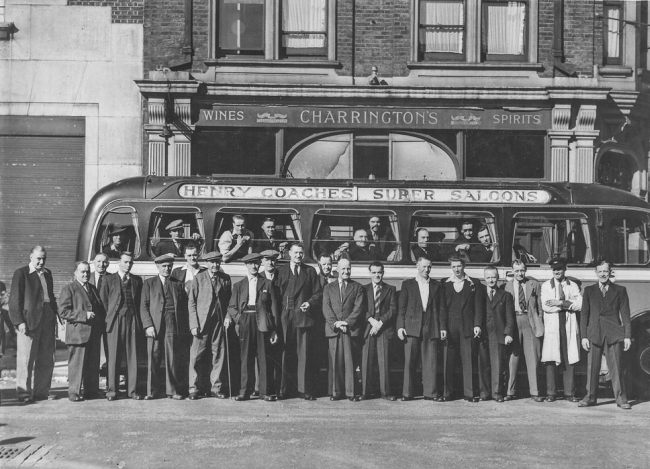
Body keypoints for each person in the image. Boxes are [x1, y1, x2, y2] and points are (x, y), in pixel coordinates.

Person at [226, 253, 280, 401]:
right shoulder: (239, 285)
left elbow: (274, 308)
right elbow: (231, 307)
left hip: (262, 321)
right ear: (246, 265)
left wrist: (274, 329)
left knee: (263, 357)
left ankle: (264, 391)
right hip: (246, 321)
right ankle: (245, 391)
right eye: (251, 264)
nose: (254, 266)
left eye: (256, 263)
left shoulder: (267, 284)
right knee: (246, 357)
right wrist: (240, 319)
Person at [578, 260, 632, 410]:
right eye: (600, 271)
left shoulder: (620, 290)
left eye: (605, 271)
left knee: (617, 367)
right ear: (596, 273)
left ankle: (621, 399)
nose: (603, 274)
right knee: (592, 368)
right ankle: (590, 397)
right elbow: (584, 315)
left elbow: (626, 315)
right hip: (594, 333)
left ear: (610, 272)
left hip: (613, 333)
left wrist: (627, 336)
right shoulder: (589, 291)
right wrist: (583, 336)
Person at [9, 246, 59, 403]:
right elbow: (14, 300)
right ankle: (24, 394)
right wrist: (19, 322)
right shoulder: (21, 273)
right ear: (31, 257)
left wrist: (56, 316)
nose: (41, 261)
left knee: (46, 357)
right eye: (38, 258)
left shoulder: (47, 273)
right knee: (26, 358)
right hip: (29, 321)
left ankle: (42, 392)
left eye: (44, 258)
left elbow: (50, 296)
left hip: (47, 318)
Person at [275, 243, 322, 400]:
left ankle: (303, 389)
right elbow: (276, 294)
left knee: (304, 355)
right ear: (289, 253)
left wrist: (310, 302)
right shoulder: (280, 271)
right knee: (283, 353)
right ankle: (283, 389)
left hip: (303, 317)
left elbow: (317, 293)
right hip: (285, 317)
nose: (298, 256)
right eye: (295, 253)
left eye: (301, 253)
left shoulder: (310, 271)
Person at [397, 256, 447, 401]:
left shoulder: (437, 285)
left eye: (429, 267)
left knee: (430, 360)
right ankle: (407, 393)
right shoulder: (408, 284)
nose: (427, 269)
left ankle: (430, 393)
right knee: (410, 361)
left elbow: (442, 308)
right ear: (417, 267)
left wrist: (443, 327)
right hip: (412, 325)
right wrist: (400, 326)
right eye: (424, 267)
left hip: (430, 324)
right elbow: (402, 308)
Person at [140, 254, 188, 400]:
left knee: (171, 357)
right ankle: (152, 391)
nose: (167, 269)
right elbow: (143, 306)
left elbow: (183, 306)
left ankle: (172, 391)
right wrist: (148, 325)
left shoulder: (178, 283)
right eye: (164, 266)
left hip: (172, 322)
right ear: (158, 267)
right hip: (154, 323)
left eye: (169, 266)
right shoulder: (149, 283)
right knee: (153, 357)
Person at [187, 251, 232, 400]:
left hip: (218, 323)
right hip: (201, 323)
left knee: (218, 354)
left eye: (217, 262)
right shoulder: (198, 278)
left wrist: (227, 316)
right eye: (212, 262)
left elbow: (229, 303)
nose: (215, 265)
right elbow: (191, 303)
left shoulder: (225, 279)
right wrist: (194, 324)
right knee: (196, 356)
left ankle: (216, 387)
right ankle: (193, 388)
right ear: (206, 263)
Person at [58, 261, 105, 402]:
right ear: (75, 273)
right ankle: (74, 392)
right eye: (82, 271)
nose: (85, 274)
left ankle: (91, 391)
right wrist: (84, 315)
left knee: (92, 364)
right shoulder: (69, 289)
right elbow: (63, 311)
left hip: (93, 333)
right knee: (76, 364)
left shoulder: (92, 288)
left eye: (87, 271)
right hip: (78, 334)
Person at [100, 251, 143, 401]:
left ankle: (132, 391)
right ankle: (112, 391)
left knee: (133, 356)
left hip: (132, 320)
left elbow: (139, 303)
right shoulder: (108, 279)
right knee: (113, 357)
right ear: (119, 262)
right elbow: (103, 303)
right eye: (125, 262)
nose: (128, 265)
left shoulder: (137, 280)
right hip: (114, 321)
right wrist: (108, 320)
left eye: (130, 262)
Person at [442, 255, 484, 402]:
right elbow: (442, 308)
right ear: (450, 268)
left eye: (459, 266)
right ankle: (448, 393)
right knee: (449, 360)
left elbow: (478, 306)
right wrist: (443, 327)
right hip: (450, 325)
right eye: (453, 266)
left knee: (468, 361)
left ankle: (469, 393)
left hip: (467, 325)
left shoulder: (474, 283)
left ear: (464, 266)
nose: (456, 269)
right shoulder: (445, 284)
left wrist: (477, 324)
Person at [540, 257, 582, 402]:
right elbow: (546, 306)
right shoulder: (546, 286)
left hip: (568, 325)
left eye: (559, 269)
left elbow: (580, 304)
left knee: (568, 357)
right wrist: (567, 305)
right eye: (554, 269)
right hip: (553, 325)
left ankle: (569, 393)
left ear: (565, 269)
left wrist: (559, 302)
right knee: (551, 359)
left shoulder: (573, 286)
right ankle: (551, 393)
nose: (557, 272)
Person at [322, 258, 364, 401]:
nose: (346, 271)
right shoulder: (328, 288)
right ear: (337, 270)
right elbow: (326, 308)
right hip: (334, 330)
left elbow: (358, 308)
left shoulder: (357, 287)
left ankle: (351, 392)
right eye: (343, 269)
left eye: (348, 268)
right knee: (335, 362)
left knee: (350, 361)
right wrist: (336, 324)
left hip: (350, 330)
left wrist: (346, 323)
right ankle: (336, 392)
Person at [504, 260, 545, 402]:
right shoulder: (506, 286)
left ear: (525, 270)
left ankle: (535, 391)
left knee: (533, 357)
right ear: (512, 271)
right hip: (513, 321)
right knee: (512, 357)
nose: (520, 273)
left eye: (522, 270)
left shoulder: (533, 284)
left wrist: (539, 323)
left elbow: (539, 307)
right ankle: (510, 391)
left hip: (530, 321)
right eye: (517, 271)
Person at [361, 261, 397, 401]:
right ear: (370, 273)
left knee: (384, 362)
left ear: (383, 273)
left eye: (379, 272)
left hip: (384, 328)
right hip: (368, 328)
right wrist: (372, 321)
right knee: (367, 361)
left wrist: (380, 323)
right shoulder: (363, 289)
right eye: (374, 272)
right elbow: (361, 308)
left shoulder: (390, 289)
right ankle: (365, 392)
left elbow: (393, 309)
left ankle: (386, 393)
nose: (377, 275)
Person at [479, 267, 514, 402]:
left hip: (498, 333)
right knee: (483, 364)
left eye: (493, 277)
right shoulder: (480, 295)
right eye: (488, 277)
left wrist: (508, 333)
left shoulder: (505, 295)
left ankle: (497, 393)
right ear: (484, 278)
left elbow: (510, 317)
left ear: (498, 277)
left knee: (497, 364)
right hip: (483, 333)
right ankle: (484, 393)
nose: (491, 280)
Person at [89, 253, 109, 382]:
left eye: (104, 262)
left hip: (108, 320)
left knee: (110, 354)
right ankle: (92, 387)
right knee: (92, 354)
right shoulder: (86, 276)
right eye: (98, 261)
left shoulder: (113, 278)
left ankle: (110, 385)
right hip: (91, 321)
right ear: (93, 262)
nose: (101, 264)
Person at [0, 281, 16, 358]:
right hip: (3, 311)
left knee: (11, 330)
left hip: (4, 312)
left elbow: (6, 298)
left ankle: (1, 352)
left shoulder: (2, 286)